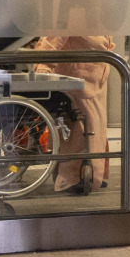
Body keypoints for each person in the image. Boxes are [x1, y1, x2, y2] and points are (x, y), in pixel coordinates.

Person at [33, 35, 114, 194]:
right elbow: (53, 37)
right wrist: (44, 65)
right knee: (78, 129)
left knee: (96, 127)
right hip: (77, 75)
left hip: (94, 73)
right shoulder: (70, 13)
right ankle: (71, 177)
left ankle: (90, 174)